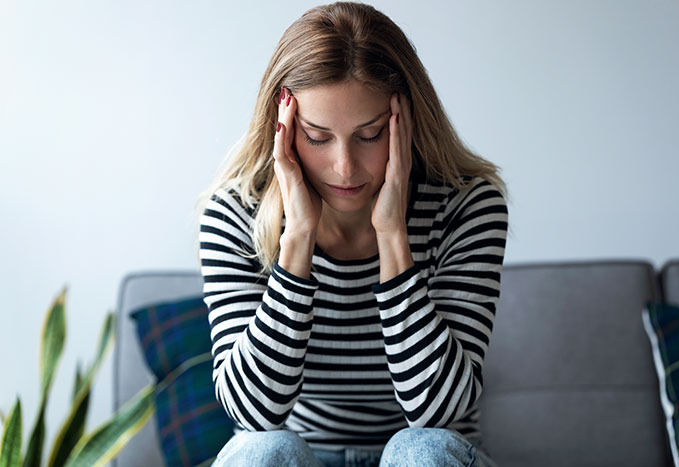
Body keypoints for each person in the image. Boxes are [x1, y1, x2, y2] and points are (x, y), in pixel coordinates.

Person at [197, 2, 508, 466]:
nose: (344, 168)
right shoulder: (236, 212)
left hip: (426, 454)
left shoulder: (465, 206)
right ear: (281, 130)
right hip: (302, 455)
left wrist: (393, 236)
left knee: (423, 451)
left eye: (370, 135)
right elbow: (254, 413)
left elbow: (436, 411)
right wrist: (297, 237)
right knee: (262, 452)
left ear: (407, 121)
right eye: (318, 137)